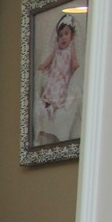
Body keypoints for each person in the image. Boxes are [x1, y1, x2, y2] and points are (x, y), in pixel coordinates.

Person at [35, 13, 83, 145]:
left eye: (66, 34)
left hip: (63, 78)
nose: (63, 38)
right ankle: (47, 105)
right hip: (54, 77)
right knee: (49, 93)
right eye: (60, 35)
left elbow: (74, 61)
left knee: (60, 96)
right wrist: (44, 65)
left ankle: (53, 108)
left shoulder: (71, 48)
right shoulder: (57, 49)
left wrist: (76, 66)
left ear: (71, 35)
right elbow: (50, 59)